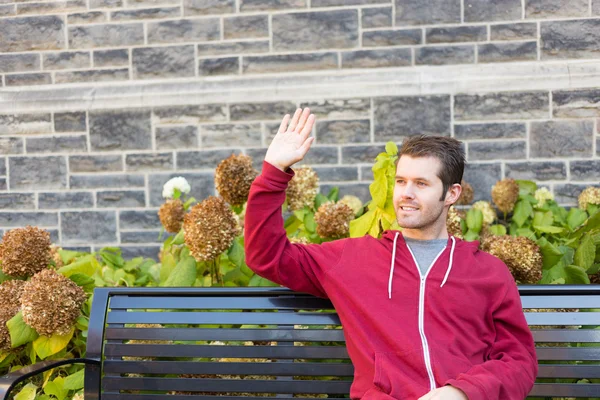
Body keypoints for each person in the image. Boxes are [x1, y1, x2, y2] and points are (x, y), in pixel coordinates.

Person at [244, 108, 538, 400]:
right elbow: (267, 256)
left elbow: (519, 361)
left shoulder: (488, 272)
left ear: (452, 194)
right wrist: (274, 170)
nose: (406, 193)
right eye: (401, 181)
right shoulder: (353, 259)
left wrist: (460, 393)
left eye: (421, 184)